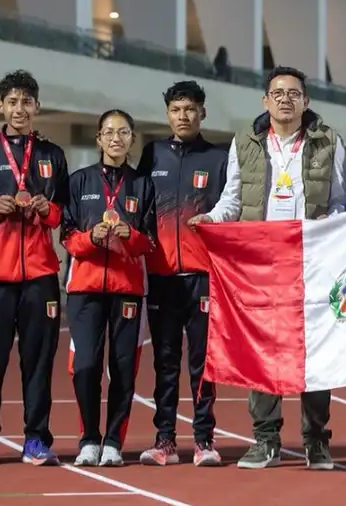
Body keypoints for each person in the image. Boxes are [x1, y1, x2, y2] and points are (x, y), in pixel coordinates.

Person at [193, 65, 346, 470]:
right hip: (259, 264)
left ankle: (316, 440)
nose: (285, 99)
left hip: (311, 260)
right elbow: (232, 200)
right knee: (262, 350)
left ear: (306, 101)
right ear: (265, 101)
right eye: (277, 93)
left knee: (315, 350)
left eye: (293, 93)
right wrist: (211, 219)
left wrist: (330, 224)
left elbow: (338, 200)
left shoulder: (328, 141)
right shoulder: (245, 142)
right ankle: (265, 439)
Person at [0, 70, 69, 467]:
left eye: (26, 102)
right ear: (0, 106)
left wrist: (47, 209)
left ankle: (36, 438)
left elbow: (63, 214)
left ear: (37, 107)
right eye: (12, 102)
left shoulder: (52, 155)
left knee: (38, 363)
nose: (19, 109)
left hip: (40, 278)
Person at [136, 81, 227, 467]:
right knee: (165, 361)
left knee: (203, 363)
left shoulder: (219, 158)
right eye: (176, 110)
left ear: (202, 112)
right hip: (161, 276)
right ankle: (165, 440)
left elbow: (230, 211)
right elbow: (139, 206)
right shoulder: (152, 154)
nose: (183, 116)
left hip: (203, 276)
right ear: (167, 114)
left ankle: (204, 440)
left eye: (190, 109)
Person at [61, 109, 156, 467]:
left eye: (124, 132)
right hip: (84, 289)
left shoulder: (144, 185)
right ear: (99, 138)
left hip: (128, 289)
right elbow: (67, 236)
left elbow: (151, 242)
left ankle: (113, 441)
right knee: (85, 365)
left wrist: (130, 236)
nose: (117, 138)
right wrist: (91, 238)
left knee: (122, 368)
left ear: (133, 139)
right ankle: (89, 439)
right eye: (110, 132)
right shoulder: (79, 181)